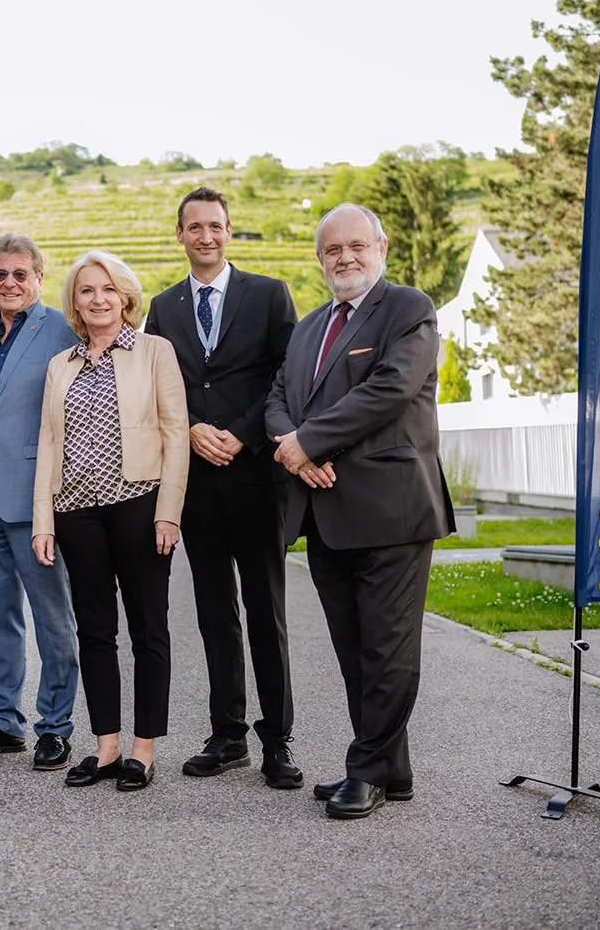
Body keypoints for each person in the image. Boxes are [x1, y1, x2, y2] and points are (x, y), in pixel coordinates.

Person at [264, 202, 453, 820]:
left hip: (391, 510)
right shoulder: (309, 326)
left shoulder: (408, 309)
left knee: (388, 649)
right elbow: (277, 401)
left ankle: (365, 768)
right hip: (324, 513)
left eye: (356, 246)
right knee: (352, 648)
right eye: (331, 250)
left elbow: (390, 389)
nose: (344, 257)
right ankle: (389, 768)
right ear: (321, 259)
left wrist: (309, 442)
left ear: (381, 247)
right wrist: (294, 451)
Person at [144, 187, 303, 788]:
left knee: (266, 611)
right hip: (197, 484)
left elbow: (287, 377)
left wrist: (240, 434)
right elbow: (162, 387)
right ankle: (228, 734)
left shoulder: (267, 295)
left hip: (258, 475)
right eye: (194, 227)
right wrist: (188, 430)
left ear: (228, 231)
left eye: (215, 226)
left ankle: (277, 740)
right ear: (179, 235)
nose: (205, 236)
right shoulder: (163, 307)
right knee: (214, 611)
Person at [31, 251, 188, 792]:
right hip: (75, 511)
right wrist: (42, 522)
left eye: (107, 289)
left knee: (149, 626)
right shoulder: (61, 365)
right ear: (73, 302)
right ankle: (106, 747)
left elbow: (176, 435)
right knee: (95, 631)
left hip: (139, 504)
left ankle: (142, 752)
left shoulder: (154, 352)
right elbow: (49, 443)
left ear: (124, 296)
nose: (97, 299)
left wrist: (169, 512)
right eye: (85, 291)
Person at [0, 234, 81, 770]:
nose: (10, 283)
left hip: (38, 500)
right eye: (1, 274)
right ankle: (3, 721)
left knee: (54, 618)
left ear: (39, 278)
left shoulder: (64, 330)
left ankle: (56, 725)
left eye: (20, 274)